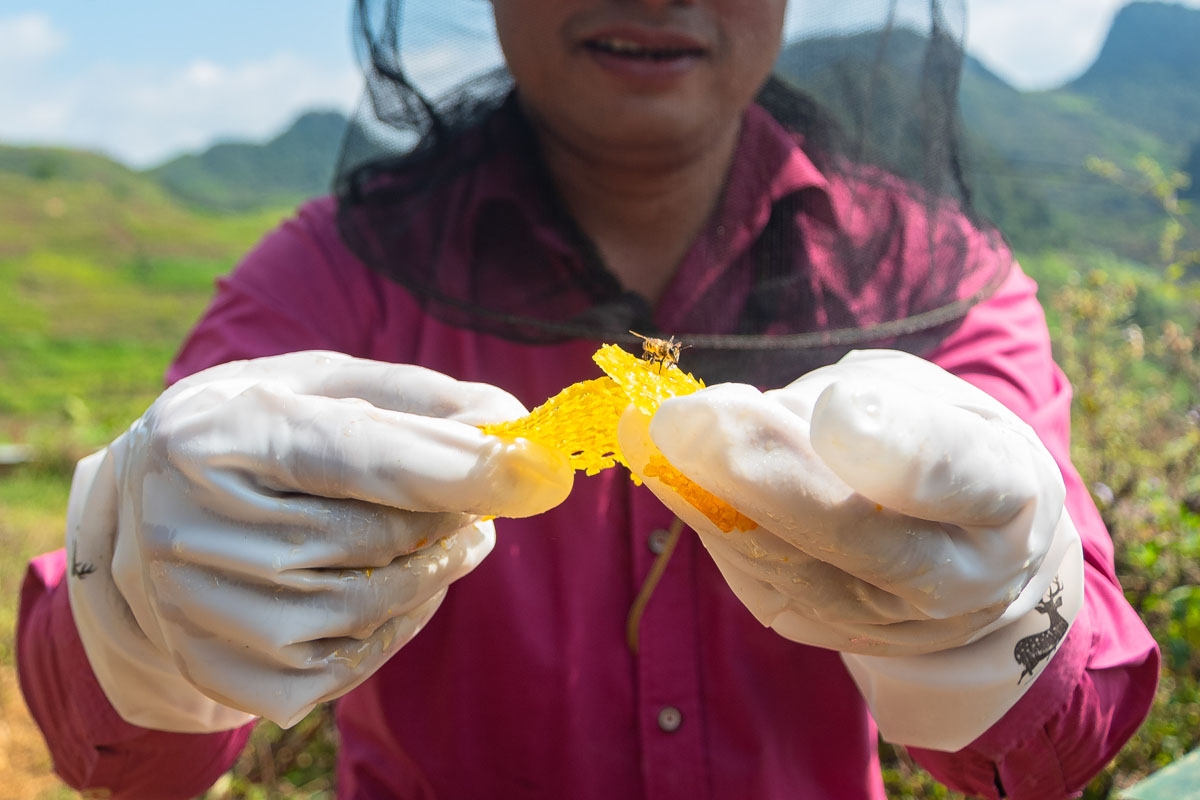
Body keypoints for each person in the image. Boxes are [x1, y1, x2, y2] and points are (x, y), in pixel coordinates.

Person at [17, 0, 1159, 798]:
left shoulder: (940, 282)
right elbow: (112, 744)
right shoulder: (326, 274)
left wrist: (1012, 613)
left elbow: (1058, 740)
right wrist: (145, 632)